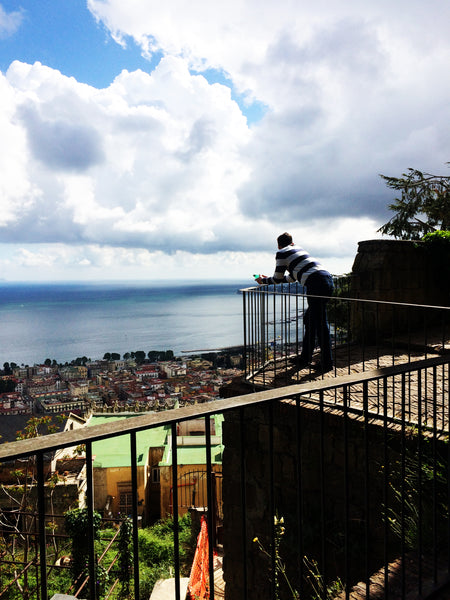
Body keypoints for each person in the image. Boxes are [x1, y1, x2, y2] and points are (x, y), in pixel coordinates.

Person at [256, 232, 334, 373]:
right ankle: (305, 358)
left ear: (279, 245)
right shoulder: (298, 250)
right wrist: (271, 279)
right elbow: (292, 278)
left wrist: (263, 281)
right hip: (327, 280)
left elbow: (277, 279)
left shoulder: (281, 253)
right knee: (310, 320)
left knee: (321, 324)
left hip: (316, 283)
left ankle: (327, 364)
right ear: (292, 242)